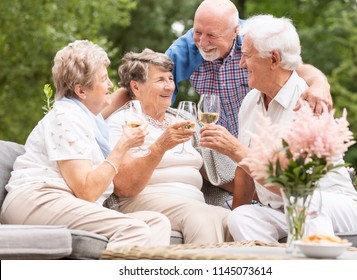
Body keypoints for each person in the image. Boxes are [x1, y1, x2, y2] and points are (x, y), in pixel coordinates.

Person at [199, 15, 357, 243]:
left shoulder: (308, 103)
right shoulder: (250, 102)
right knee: (241, 217)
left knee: (301, 202)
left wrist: (235, 150)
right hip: (283, 208)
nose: (241, 63)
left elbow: (291, 185)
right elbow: (245, 172)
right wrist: (233, 230)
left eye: (247, 56)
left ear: (274, 59)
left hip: (330, 203)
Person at [0, 40, 171, 250]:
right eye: (103, 79)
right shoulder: (66, 117)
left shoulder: (90, 120)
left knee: (157, 222)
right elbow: (87, 191)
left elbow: (120, 96)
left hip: (64, 201)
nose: (110, 85)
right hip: (37, 199)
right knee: (133, 229)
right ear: (81, 91)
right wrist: (123, 145)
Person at [103, 0, 332, 138]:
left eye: (212, 35)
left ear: (235, 31)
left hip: (260, 135)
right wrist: (95, 118)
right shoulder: (188, 47)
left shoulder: (253, 41)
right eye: (198, 32)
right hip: (218, 144)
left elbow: (298, 69)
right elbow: (143, 83)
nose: (202, 43)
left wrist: (321, 85)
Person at [106, 48, 232, 244]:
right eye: (160, 80)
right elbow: (124, 186)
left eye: (170, 79)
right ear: (136, 88)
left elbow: (221, 171)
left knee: (235, 221)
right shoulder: (123, 121)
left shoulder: (182, 118)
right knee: (201, 217)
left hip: (193, 202)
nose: (169, 87)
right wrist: (160, 146)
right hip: (144, 199)